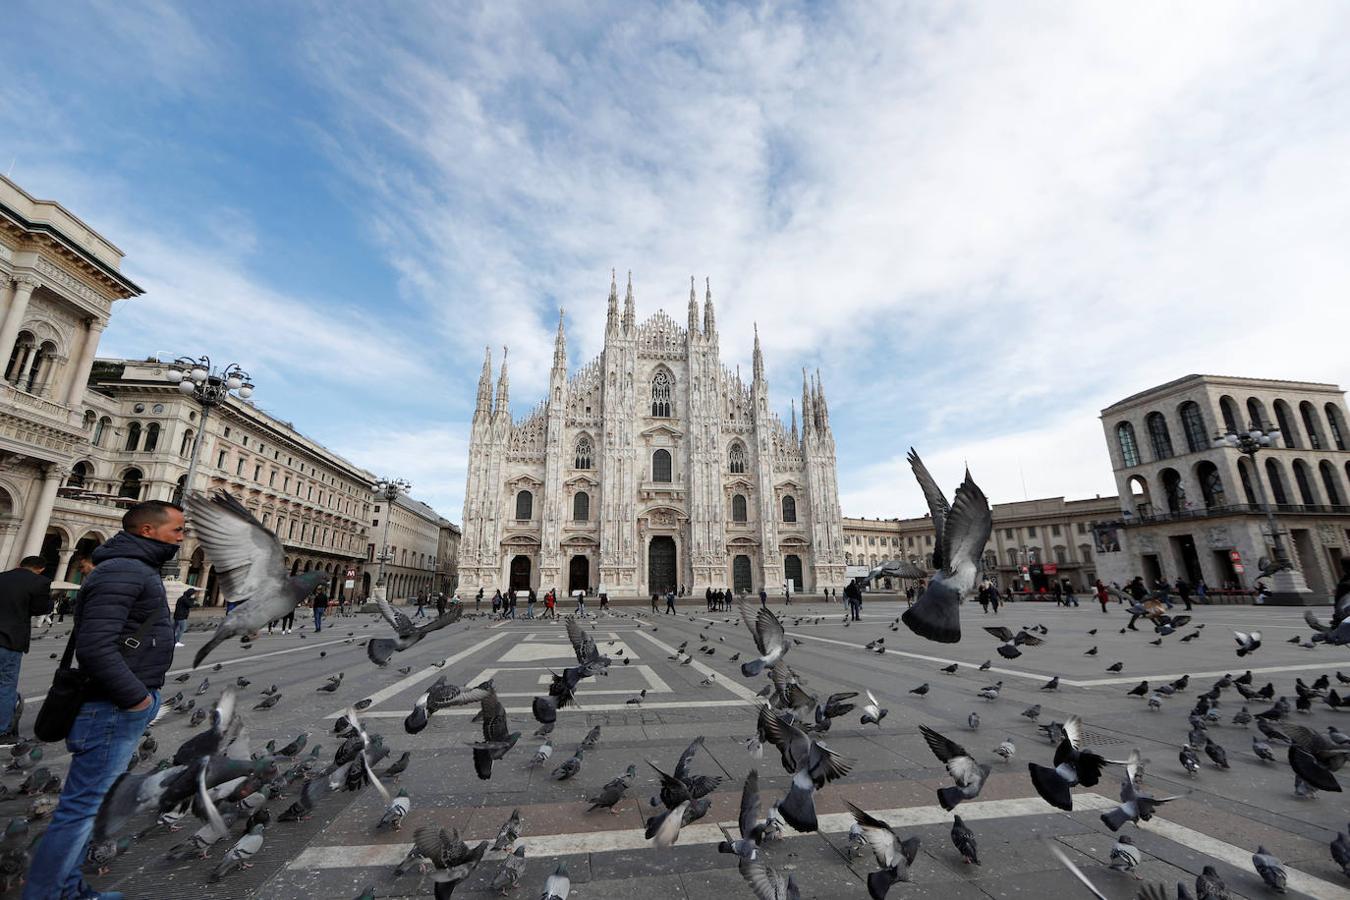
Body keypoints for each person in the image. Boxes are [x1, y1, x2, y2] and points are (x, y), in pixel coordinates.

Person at [25, 500, 181, 900]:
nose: (181, 538)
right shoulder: (126, 570)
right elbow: (95, 646)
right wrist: (137, 700)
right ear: (148, 531)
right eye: (176, 530)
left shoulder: (131, 568)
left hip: (117, 702)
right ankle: (45, 894)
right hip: (112, 705)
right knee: (80, 810)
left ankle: (70, 888)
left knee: (89, 808)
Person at [0, 555, 53, 738]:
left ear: (19, 564)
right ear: (41, 569)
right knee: (5, 685)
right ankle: (2, 729)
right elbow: (40, 609)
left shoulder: (2, 576)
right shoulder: (40, 582)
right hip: (9, 640)